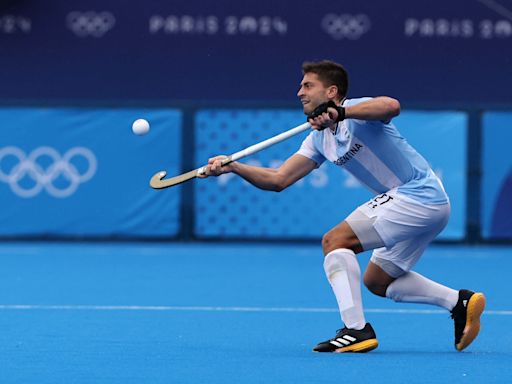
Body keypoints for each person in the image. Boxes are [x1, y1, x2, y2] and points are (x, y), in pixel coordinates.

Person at [200, 60, 485, 353]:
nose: (300, 92)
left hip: (419, 195)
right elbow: (278, 179)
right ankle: (459, 301)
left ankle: (356, 330)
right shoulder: (318, 139)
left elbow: (391, 106)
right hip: (423, 205)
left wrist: (343, 112)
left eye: (308, 85)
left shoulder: (357, 111)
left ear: (332, 91)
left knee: (335, 241)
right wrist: (234, 167)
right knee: (378, 281)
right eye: (300, 86)